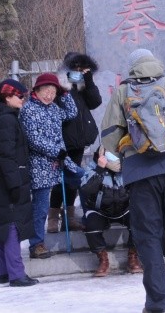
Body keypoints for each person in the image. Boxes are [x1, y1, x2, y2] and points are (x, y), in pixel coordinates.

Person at [100, 48, 165, 313]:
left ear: (132, 67)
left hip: (141, 174)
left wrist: (128, 149)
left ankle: (158, 302)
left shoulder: (124, 92)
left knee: (148, 237)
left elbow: (110, 137)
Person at [19, 71, 80, 259]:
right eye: (46, 90)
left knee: (85, 178)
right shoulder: (28, 109)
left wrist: (65, 93)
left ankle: (93, 223)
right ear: (37, 90)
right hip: (40, 165)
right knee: (41, 206)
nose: (49, 95)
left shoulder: (53, 108)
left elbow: (71, 113)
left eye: (53, 91)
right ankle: (36, 244)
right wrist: (56, 152)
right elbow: (33, 139)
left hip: (61, 161)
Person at [0, 78, 38, 287]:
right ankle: (16, 274)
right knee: (12, 226)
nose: (22, 99)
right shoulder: (7, 120)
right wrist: (15, 184)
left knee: (1, 226)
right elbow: (7, 156)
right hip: (7, 183)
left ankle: (4, 272)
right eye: (19, 96)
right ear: (7, 96)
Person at [48, 52, 103, 234]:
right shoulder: (59, 85)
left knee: (73, 180)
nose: (78, 72)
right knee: (59, 180)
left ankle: (69, 217)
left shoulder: (82, 86)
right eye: (75, 69)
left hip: (78, 140)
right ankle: (53, 217)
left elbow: (95, 102)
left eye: (81, 69)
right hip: (62, 140)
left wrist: (88, 79)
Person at [79, 148, 141, 277]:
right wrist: (100, 169)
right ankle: (103, 259)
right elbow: (86, 190)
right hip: (100, 210)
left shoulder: (128, 167)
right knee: (90, 224)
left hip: (124, 208)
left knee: (140, 220)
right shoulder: (92, 167)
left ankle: (133, 256)